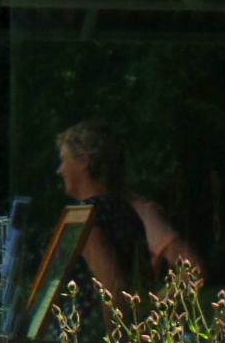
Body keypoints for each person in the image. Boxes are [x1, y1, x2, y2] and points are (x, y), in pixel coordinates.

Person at [55, 121, 153, 297]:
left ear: (83, 162)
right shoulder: (123, 209)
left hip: (90, 324)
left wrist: (114, 324)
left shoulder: (87, 217)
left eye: (64, 160)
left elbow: (112, 286)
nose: (60, 170)